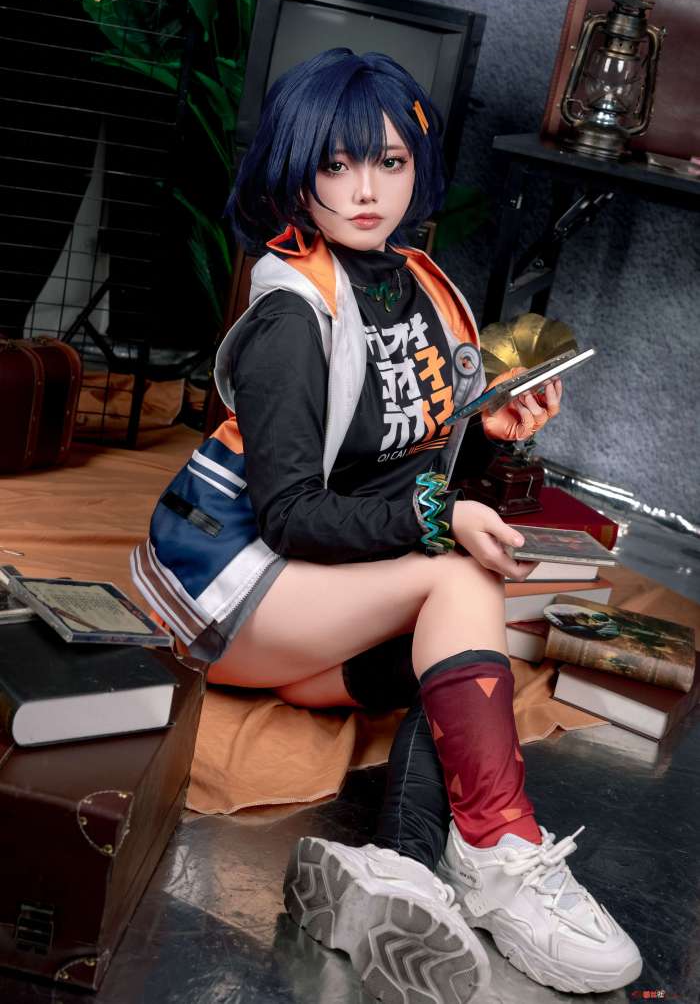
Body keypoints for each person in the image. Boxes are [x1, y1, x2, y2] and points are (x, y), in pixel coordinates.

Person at [131, 49, 642, 1004]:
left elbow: (402, 458)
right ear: (295, 170)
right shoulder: (292, 316)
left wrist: (485, 428)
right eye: (336, 164)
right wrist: (443, 515)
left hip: (314, 610)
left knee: (457, 662)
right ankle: (501, 849)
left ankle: (401, 869)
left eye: (390, 161)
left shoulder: (419, 282)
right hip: (228, 588)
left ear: (418, 165)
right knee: (458, 579)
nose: (365, 190)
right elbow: (293, 516)